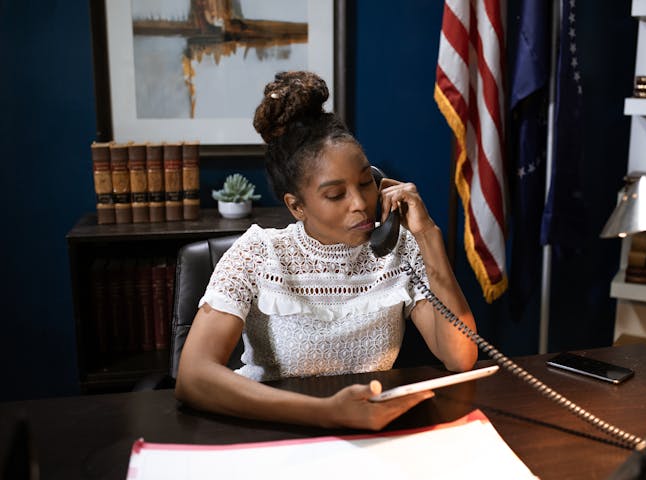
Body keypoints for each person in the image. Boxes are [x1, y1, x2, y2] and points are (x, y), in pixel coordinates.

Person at [175, 71, 478, 430]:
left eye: (366, 182)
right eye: (336, 195)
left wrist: (427, 236)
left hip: (367, 429)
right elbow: (192, 377)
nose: (361, 204)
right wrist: (328, 413)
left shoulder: (400, 250)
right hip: (276, 431)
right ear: (297, 206)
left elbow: (459, 357)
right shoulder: (258, 254)